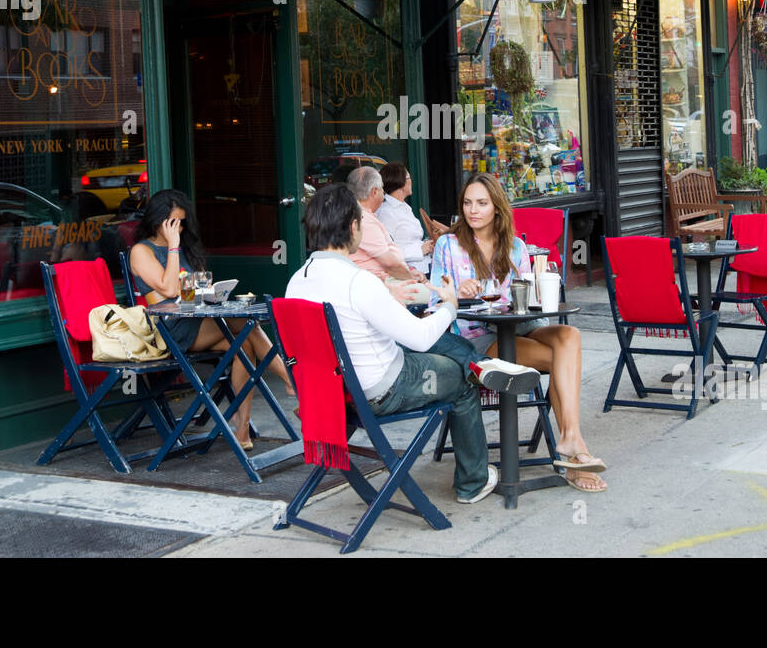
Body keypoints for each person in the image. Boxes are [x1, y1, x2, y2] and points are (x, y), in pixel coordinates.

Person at [286, 184, 542, 505]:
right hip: (382, 388)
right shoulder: (358, 282)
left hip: (333, 389)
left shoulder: (297, 281)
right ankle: (472, 481)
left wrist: (387, 297)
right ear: (353, 227)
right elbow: (420, 336)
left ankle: (480, 365)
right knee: (457, 379)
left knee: (439, 348)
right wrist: (449, 304)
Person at [431, 173, 607, 492]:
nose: (473, 210)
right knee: (559, 359)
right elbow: (434, 301)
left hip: (518, 324)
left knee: (570, 337)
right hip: (477, 337)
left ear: (496, 208)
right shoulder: (448, 244)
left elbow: (525, 299)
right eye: (468, 203)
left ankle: (571, 439)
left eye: (482, 203)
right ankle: (573, 450)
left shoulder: (515, 246)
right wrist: (459, 291)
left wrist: (534, 293)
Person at [128, 189, 293, 451]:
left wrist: (209, 293)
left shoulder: (183, 248)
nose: (178, 229)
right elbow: (169, 289)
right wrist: (172, 246)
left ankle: (242, 430)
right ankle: (291, 378)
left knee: (245, 347)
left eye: (181, 223)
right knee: (243, 324)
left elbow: (192, 290)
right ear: (157, 220)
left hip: (197, 321)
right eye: (172, 223)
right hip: (170, 331)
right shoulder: (141, 251)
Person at [346, 166, 428, 302]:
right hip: (376, 284)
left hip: (386, 278)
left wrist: (410, 270)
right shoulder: (363, 221)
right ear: (374, 192)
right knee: (430, 295)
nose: (384, 194)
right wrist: (411, 278)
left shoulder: (364, 215)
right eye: (382, 189)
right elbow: (390, 264)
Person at [375, 162, 435, 277]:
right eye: (409, 177)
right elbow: (386, 252)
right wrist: (420, 250)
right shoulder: (386, 212)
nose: (411, 180)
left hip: (423, 267)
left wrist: (426, 246)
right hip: (410, 273)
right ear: (401, 183)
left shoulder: (403, 207)